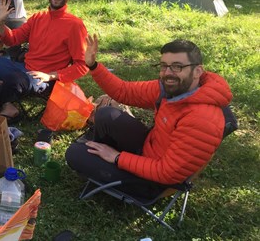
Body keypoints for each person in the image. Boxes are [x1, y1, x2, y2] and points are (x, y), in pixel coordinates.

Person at [65, 35, 233, 199]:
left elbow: (167, 173)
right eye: (164, 66)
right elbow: (124, 91)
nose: (168, 73)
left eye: (177, 67)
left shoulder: (201, 119)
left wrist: (117, 157)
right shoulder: (171, 89)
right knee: (105, 114)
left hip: (153, 182)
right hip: (149, 149)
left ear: (197, 71)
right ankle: (99, 158)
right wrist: (93, 66)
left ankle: (102, 162)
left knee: (74, 153)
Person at [0, 0, 88, 121]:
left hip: (44, 78)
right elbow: (13, 39)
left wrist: (51, 76)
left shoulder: (75, 25)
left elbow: (82, 65)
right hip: (24, 68)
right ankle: (6, 105)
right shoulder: (38, 17)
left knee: (13, 80)